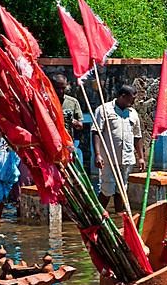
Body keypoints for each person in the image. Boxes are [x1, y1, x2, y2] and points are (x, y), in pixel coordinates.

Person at [92, 84, 145, 213]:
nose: (134, 101)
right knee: (107, 188)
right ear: (123, 96)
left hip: (126, 157)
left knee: (122, 188)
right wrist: (97, 154)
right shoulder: (104, 109)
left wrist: (141, 158)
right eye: (132, 98)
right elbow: (96, 132)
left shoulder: (133, 113)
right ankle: (99, 215)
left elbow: (137, 136)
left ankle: (119, 215)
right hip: (108, 157)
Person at [52, 73, 84, 163]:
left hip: (68, 144)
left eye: (63, 88)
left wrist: (72, 122)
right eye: (58, 88)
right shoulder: (47, 102)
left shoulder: (72, 102)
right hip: (52, 144)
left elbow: (80, 125)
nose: (61, 91)